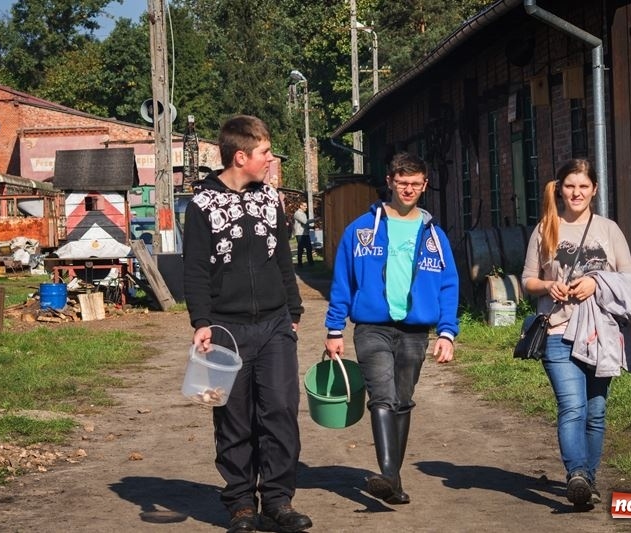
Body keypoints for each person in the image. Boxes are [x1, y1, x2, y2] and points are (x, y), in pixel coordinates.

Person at [183, 114, 312, 533]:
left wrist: (292, 313)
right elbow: (195, 270)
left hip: (275, 325)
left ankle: (278, 500)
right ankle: (240, 503)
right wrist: (201, 322)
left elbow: (282, 260)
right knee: (233, 418)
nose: (271, 160)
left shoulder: (270, 199)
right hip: (225, 329)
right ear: (241, 156)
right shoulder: (201, 205)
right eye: (265, 153)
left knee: (280, 411)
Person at [324, 152, 459, 505]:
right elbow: (343, 281)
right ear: (390, 182)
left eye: (415, 183)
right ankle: (386, 472)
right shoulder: (360, 230)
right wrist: (334, 329)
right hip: (372, 328)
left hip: (415, 331)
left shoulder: (435, 236)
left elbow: (449, 286)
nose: (409, 189)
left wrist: (447, 332)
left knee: (402, 400)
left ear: (425, 185)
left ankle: (393, 480)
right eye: (402, 182)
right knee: (382, 397)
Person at [521, 158, 631, 510]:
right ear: (559, 188)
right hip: (558, 331)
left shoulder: (608, 230)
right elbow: (527, 279)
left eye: (583, 186)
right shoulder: (545, 228)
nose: (576, 192)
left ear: (593, 190)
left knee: (596, 411)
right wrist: (547, 285)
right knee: (572, 406)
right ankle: (576, 473)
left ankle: (587, 484)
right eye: (570, 186)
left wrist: (596, 281)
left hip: (600, 335)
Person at [293, 201, 314, 267]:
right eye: (305, 206)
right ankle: (299, 264)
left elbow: (305, 225)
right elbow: (305, 222)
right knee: (301, 249)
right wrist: (314, 219)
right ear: (300, 206)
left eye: (306, 206)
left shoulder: (303, 213)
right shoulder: (297, 213)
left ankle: (311, 263)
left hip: (305, 233)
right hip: (300, 234)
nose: (306, 207)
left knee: (309, 248)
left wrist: (311, 227)